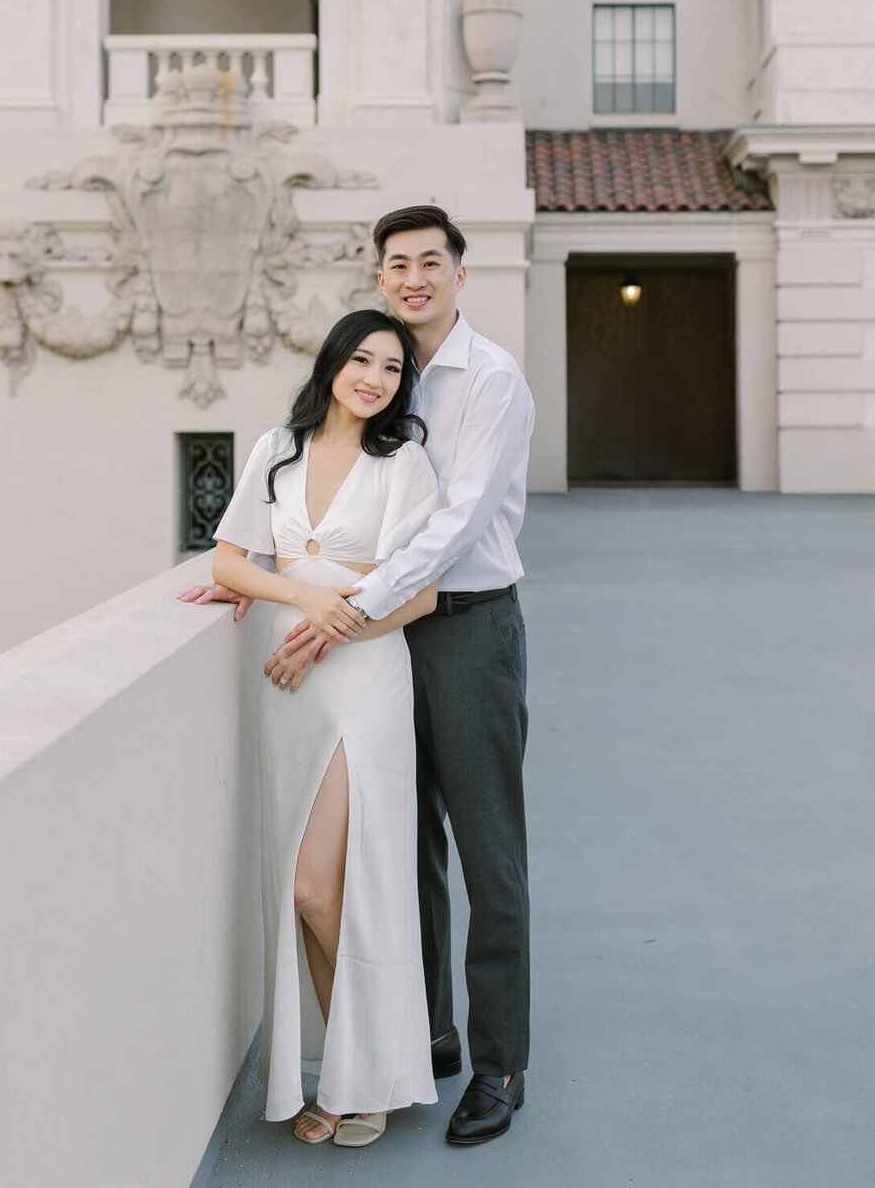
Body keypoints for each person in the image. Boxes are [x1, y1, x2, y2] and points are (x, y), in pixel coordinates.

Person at [266, 206, 536, 1147]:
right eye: (397, 265)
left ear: (460, 272)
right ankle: (427, 1035)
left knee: (488, 851)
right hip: (380, 640)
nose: (413, 277)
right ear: (380, 279)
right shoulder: (384, 371)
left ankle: (500, 1065)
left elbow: (454, 525)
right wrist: (270, 577)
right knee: (401, 847)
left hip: (463, 629)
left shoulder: (491, 379)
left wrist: (343, 610)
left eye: (430, 261)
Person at [205, 309, 441, 1147]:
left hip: (362, 678)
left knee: (324, 885)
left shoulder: (404, 463)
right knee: (313, 894)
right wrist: (301, 594)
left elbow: (419, 593)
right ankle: (351, 1076)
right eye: (363, 360)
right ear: (334, 363)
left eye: (393, 369)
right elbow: (229, 559)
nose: (375, 379)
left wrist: (324, 630)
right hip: (290, 685)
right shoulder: (278, 449)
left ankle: (370, 1068)